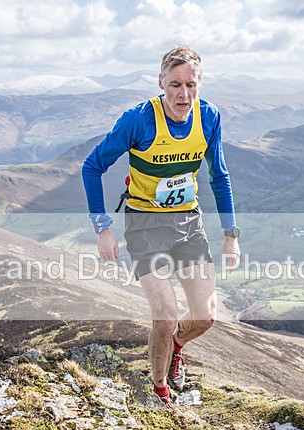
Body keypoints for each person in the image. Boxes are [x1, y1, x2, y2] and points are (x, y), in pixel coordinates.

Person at [82, 44, 240, 409]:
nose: (183, 95)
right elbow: (92, 166)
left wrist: (230, 235)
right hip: (145, 224)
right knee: (166, 317)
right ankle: (158, 390)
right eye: (175, 85)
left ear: (200, 83)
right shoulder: (137, 120)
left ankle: (176, 347)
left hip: (188, 222)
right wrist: (103, 229)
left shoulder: (209, 117)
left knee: (205, 316)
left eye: (191, 85)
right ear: (160, 83)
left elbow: (219, 176)